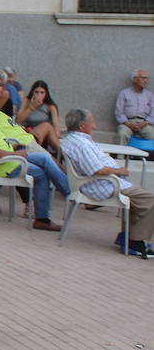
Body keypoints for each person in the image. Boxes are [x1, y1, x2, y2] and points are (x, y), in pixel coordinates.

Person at [0, 84, 68, 231]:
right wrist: (17, 154)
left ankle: (54, 206)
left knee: (45, 160)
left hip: (4, 160)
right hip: (5, 165)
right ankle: (68, 194)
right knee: (42, 169)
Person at [60, 108, 154, 257]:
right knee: (149, 200)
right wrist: (119, 171)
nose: (95, 126)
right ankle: (135, 242)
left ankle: (127, 237)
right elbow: (96, 169)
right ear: (81, 126)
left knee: (139, 198)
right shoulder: (82, 144)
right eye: (92, 123)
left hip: (100, 183)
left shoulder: (70, 139)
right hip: (102, 185)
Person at [16, 80, 61, 155]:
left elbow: (56, 127)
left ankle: (60, 152)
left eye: (42, 93)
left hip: (44, 136)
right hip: (27, 131)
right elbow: (18, 122)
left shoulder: (50, 106)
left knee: (47, 126)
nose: (39, 95)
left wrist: (56, 137)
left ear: (46, 94)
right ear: (32, 92)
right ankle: (60, 152)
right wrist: (31, 107)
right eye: (36, 92)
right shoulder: (26, 101)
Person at [115, 70, 154, 143]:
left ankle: (148, 155)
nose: (146, 81)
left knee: (152, 135)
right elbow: (119, 113)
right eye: (143, 78)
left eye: (147, 78)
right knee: (122, 134)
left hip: (144, 123)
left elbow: (153, 113)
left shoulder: (149, 95)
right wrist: (129, 124)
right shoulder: (124, 93)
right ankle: (121, 154)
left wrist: (145, 123)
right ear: (135, 79)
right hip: (127, 122)